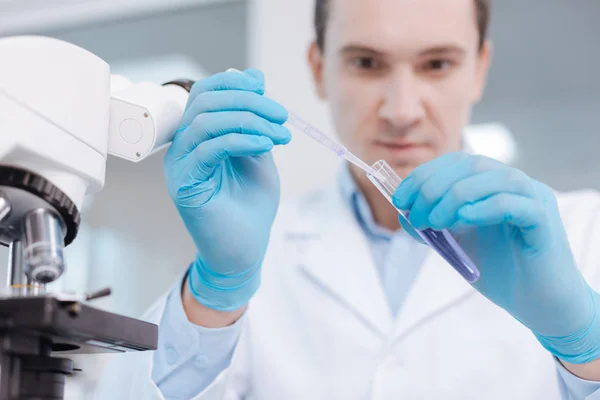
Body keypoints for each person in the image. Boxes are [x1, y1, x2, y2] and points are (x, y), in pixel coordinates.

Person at [96, 0, 600, 398]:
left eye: (437, 64)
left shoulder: (585, 232)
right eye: (366, 62)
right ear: (318, 68)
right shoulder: (255, 248)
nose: (401, 111)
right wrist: (215, 293)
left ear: (479, 68)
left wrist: (585, 346)